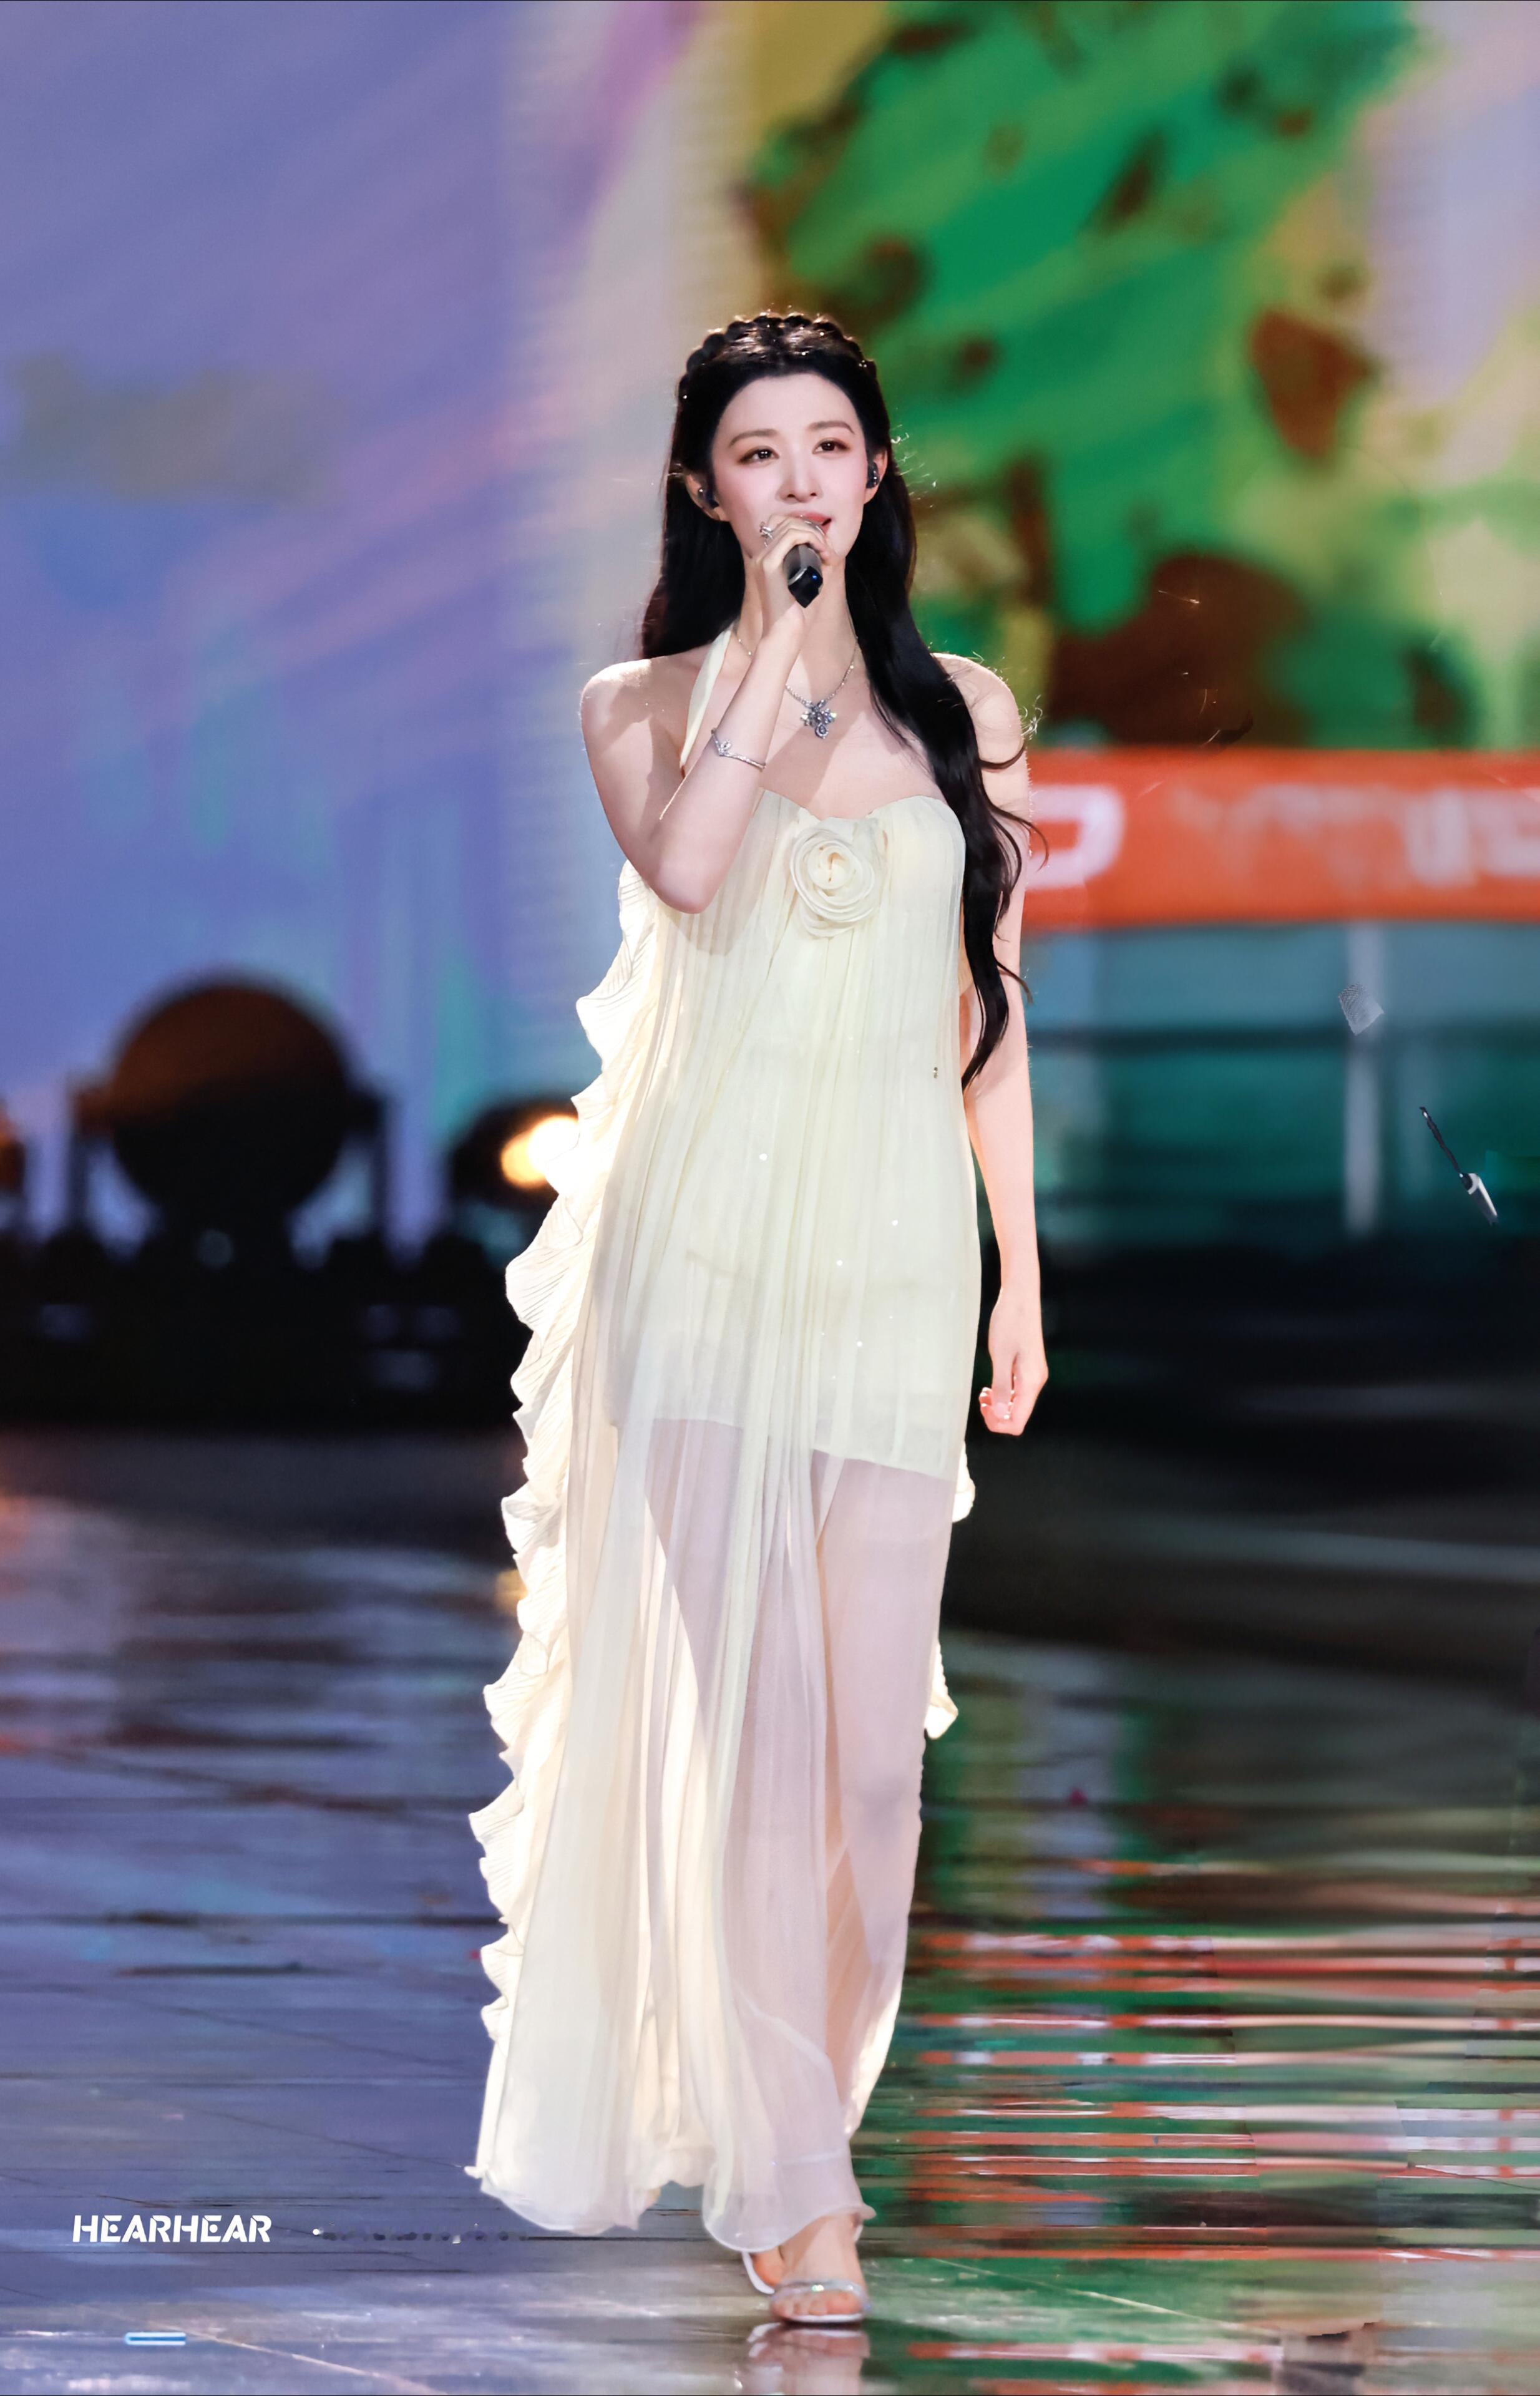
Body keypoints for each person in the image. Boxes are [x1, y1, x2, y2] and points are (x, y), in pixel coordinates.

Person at [467, 310, 1046, 2328]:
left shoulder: (966, 711)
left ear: (875, 473)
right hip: (702, 1260)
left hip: (892, 1263)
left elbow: (989, 1018)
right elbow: (700, 874)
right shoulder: (636, 705)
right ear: (704, 491)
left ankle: (798, 2128)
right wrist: (772, 665)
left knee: (871, 1773)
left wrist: (1020, 1277)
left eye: (827, 448)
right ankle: (803, 2191)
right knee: (758, 1750)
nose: (800, 480)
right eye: (757, 454)